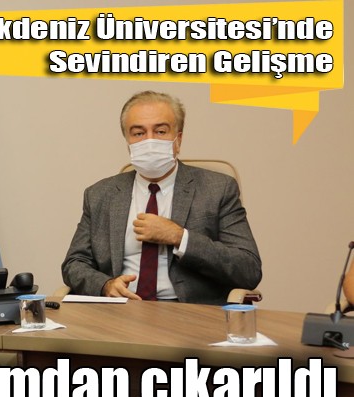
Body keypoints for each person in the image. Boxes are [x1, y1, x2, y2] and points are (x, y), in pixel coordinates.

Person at [62, 91, 262, 305]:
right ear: (128, 142)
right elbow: (74, 263)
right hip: (121, 309)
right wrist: (106, 285)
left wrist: (179, 237)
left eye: (160, 131)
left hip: (188, 312)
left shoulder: (218, 189)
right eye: (138, 133)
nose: (149, 141)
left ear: (178, 139)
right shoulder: (100, 194)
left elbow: (248, 269)